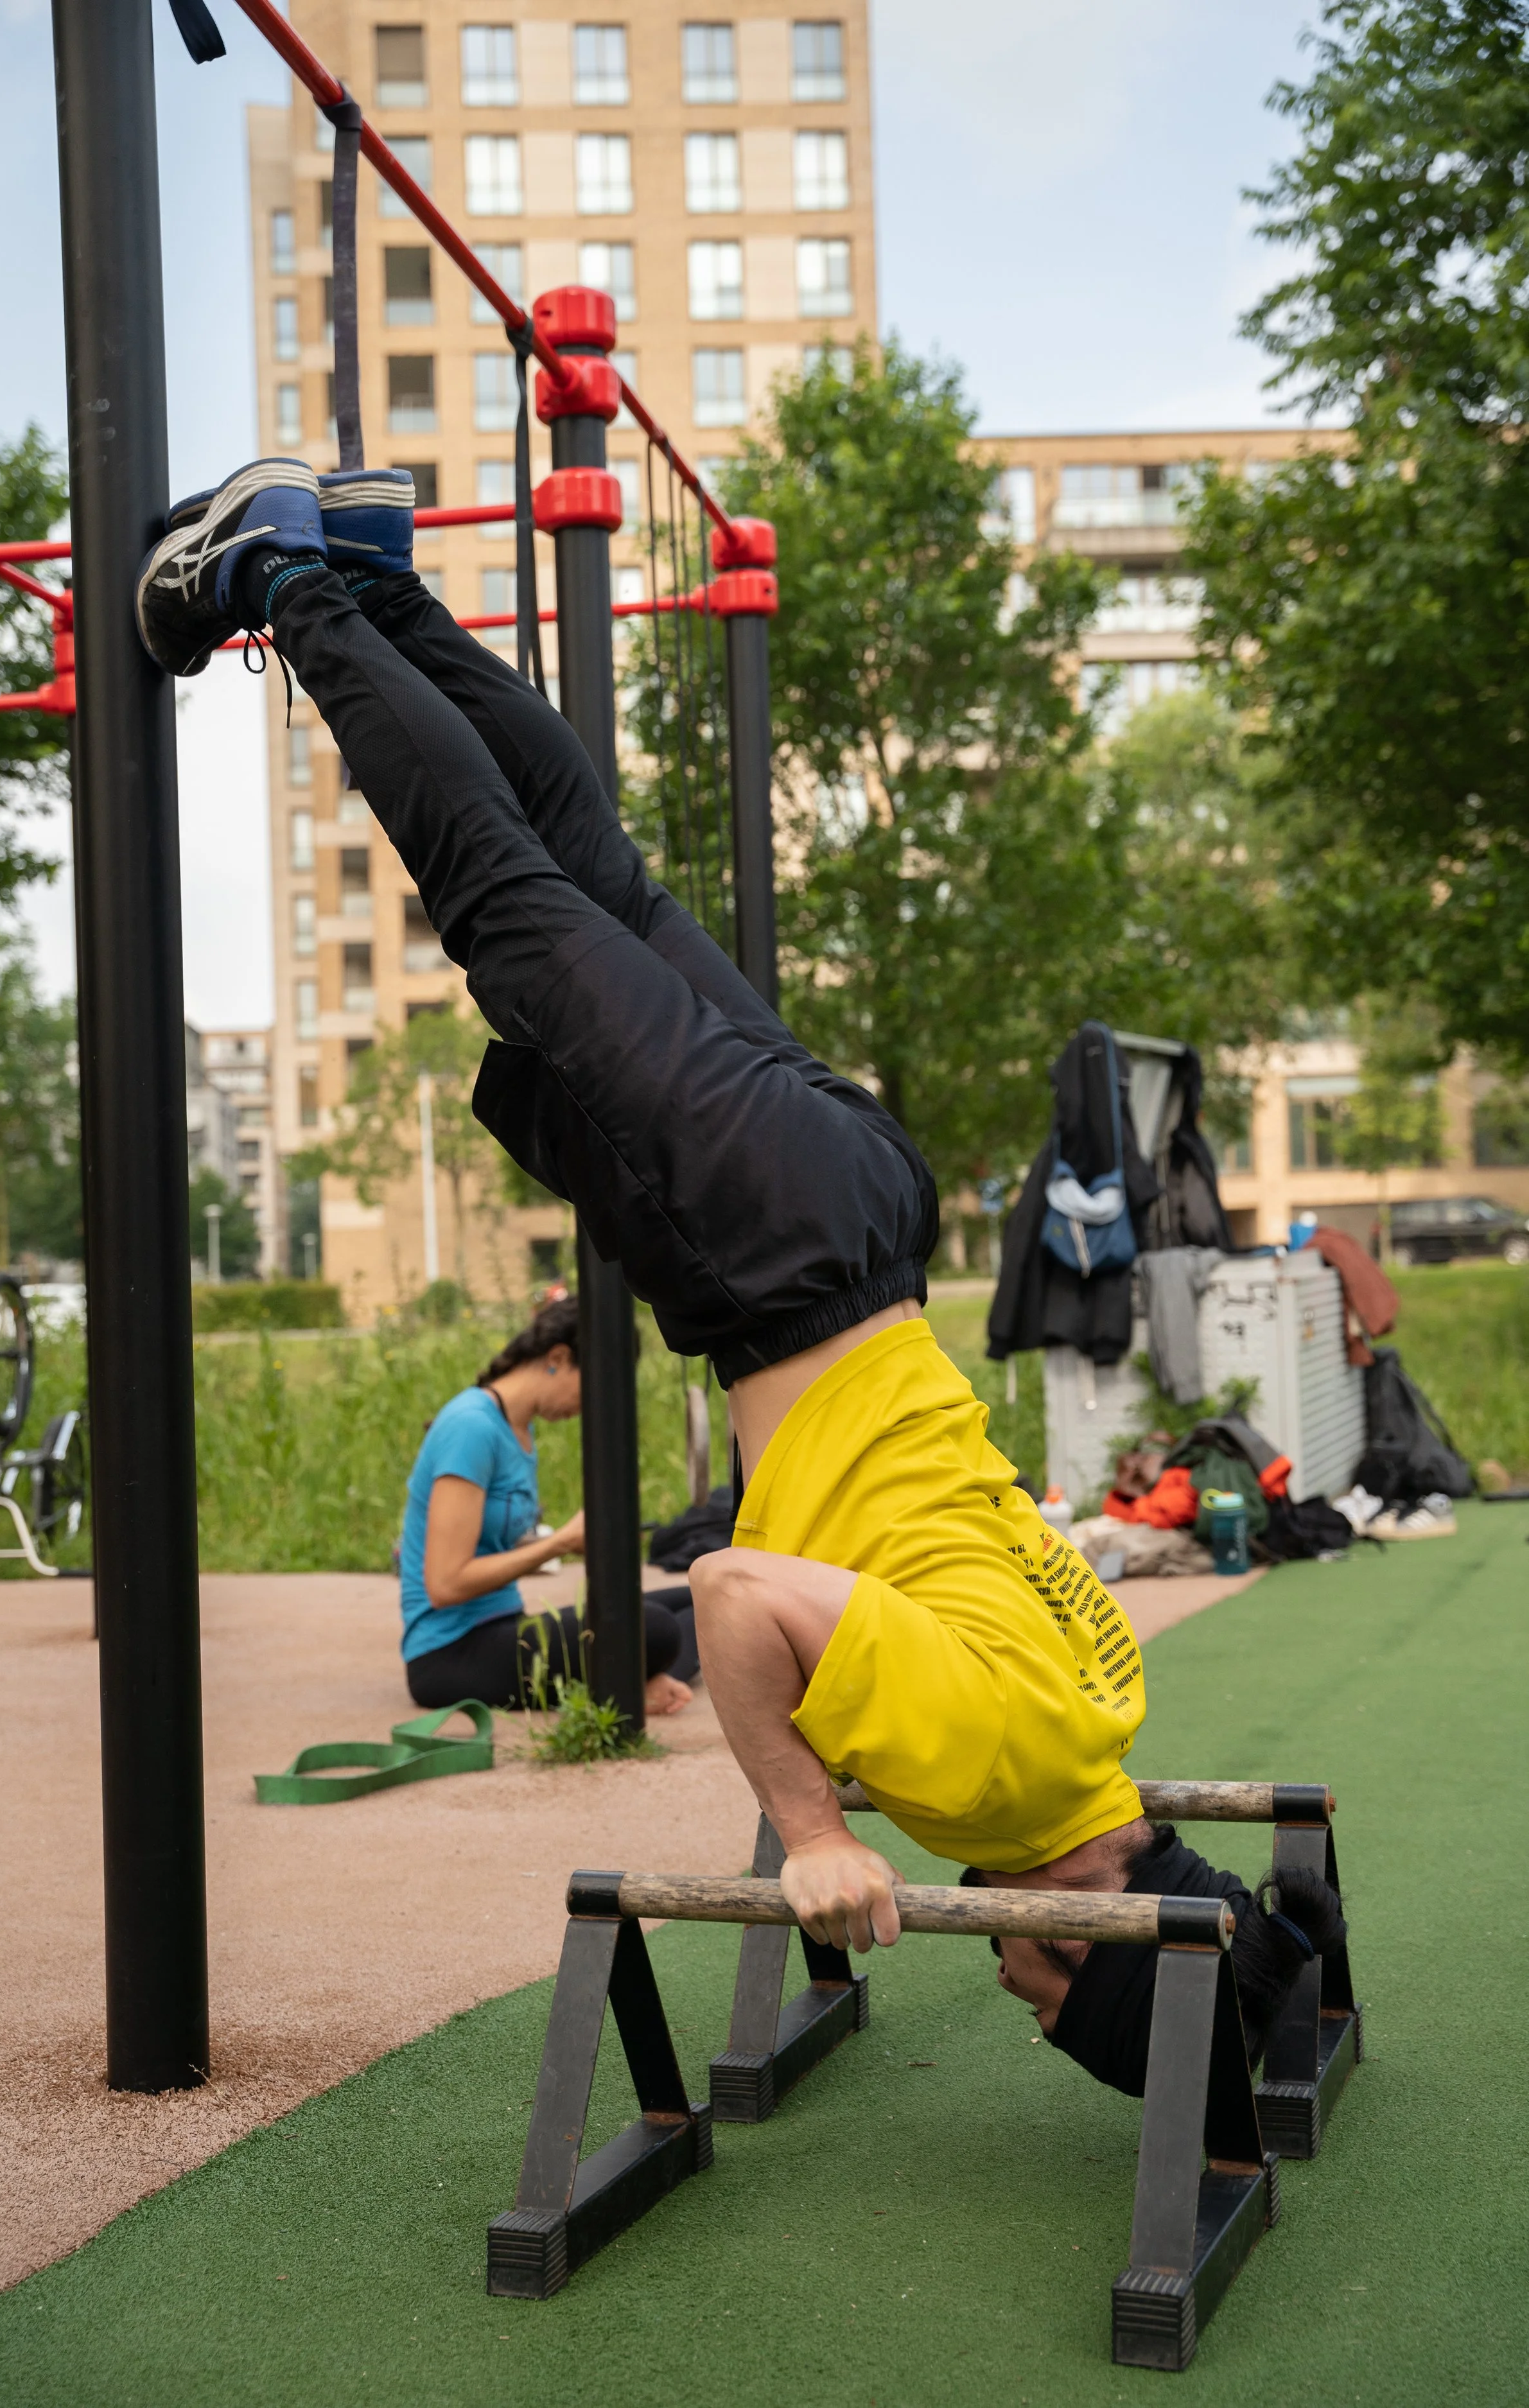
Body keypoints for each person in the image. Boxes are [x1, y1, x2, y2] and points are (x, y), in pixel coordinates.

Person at [136, 460, 1345, 2095]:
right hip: (781, 1263)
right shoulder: (1001, 1778)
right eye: (1054, 2006)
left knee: (594, 874)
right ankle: (283, 573)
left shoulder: (1102, 1709)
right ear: (1095, 1933)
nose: (1018, 1999)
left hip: (862, 1213)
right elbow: (733, 1598)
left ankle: (377, 575)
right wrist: (810, 1828)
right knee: (506, 903)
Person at [399, 1295, 693, 1718]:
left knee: (695, 1601)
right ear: (558, 1357)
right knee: (658, 1627)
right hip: (451, 1655)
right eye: (594, 1385)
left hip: (503, 1626)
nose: (591, 1404)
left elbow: (493, 1551)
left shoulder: (518, 1430)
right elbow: (445, 1585)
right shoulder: (471, 1426)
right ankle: (636, 1681)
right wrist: (558, 1543)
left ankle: (644, 1681)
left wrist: (572, 1542)